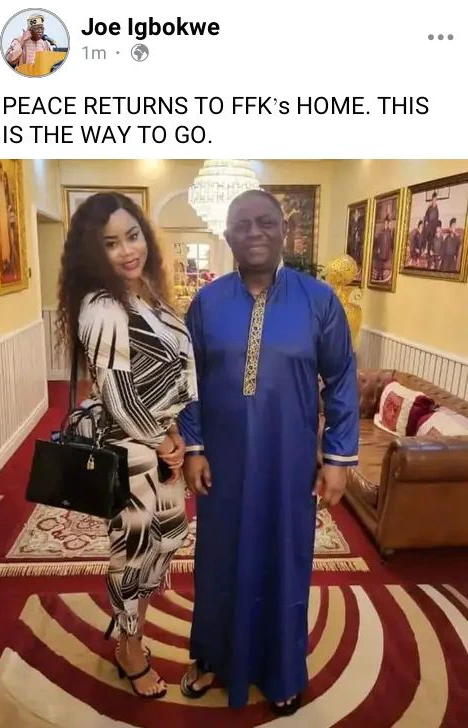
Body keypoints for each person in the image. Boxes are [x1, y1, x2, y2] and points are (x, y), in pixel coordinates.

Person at [177, 190, 359, 715]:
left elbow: (342, 379)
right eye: (242, 224)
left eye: (265, 223)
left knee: (284, 561)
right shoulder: (207, 304)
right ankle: (213, 656)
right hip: (223, 463)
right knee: (218, 560)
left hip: (289, 462)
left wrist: (339, 457)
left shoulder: (318, 301)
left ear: (284, 231)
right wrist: (194, 447)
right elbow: (189, 382)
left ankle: (281, 669)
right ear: (227, 235)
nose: (254, 232)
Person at [57, 193, 198, 699]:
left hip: (161, 442)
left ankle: (129, 629)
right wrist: (163, 440)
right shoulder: (102, 306)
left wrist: (173, 432)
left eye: (132, 236)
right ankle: (130, 647)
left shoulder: (147, 293)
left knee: (169, 539)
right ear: (93, 252)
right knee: (133, 553)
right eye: (110, 243)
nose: (127, 250)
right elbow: (117, 399)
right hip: (130, 451)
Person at [372, 215, 394, 281]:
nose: (385, 224)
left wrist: (389, 251)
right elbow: (378, 241)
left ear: (388, 224)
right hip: (380, 250)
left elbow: (390, 242)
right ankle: (379, 275)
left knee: (381, 263)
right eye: (385, 223)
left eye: (387, 223)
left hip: (385, 251)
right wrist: (378, 249)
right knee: (379, 263)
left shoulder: (389, 232)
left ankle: (380, 275)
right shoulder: (381, 232)